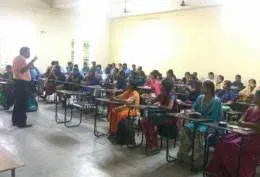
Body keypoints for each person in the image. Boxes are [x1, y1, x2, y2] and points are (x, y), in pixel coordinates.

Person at [207, 90, 260, 177]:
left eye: (256, 96)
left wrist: (245, 124)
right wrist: (242, 123)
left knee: (233, 146)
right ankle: (220, 171)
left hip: (255, 137)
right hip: (242, 132)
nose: (254, 97)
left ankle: (234, 173)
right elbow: (241, 120)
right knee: (223, 141)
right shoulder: (251, 108)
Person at [177, 81, 222, 170]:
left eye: (204, 87)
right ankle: (183, 154)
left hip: (209, 124)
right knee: (186, 129)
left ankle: (198, 161)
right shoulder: (200, 97)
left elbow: (215, 118)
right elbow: (194, 107)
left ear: (209, 89)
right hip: (197, 122)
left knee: (199, 132)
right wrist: (191, 111)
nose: (202, 89)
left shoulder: (216, 101)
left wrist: (200, 117)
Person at [142, 79, 179, 150]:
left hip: (170, 116)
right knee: (143, 121)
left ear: (166, 87)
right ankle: (149, 141)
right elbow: (154, 100)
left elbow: (169, 108)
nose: (160, 86)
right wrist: (148, 101)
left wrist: (159, 106)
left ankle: (154, 144)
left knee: (150, 121)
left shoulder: (172, 95)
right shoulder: (162, 93)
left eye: (162, 85)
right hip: (163, 114)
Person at [12, 47, 37, 128]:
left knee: (18, 103)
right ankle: (21, 123)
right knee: (22, 103)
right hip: (21, 83)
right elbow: (22, 71)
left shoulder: (17, 58)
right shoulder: (21, 59)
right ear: (24, 52)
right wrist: (32, 61)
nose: (29, 53)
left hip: (18, 82)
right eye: (28, 52)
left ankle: (15, 121)